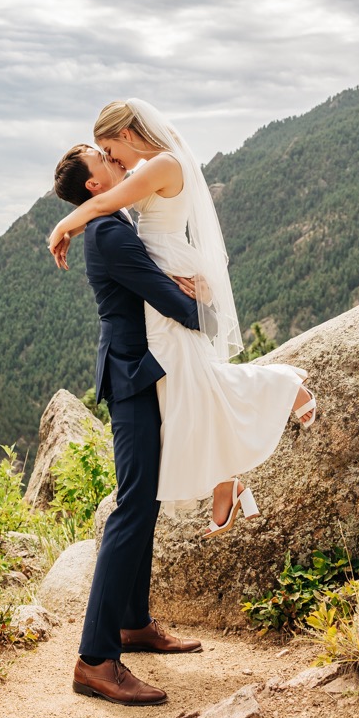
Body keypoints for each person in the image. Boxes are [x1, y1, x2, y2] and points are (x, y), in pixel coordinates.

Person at [49, 99, 316, 535]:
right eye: (106, 156)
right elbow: (105, 201)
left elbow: (104, 202)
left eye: (110, 149)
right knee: (184, 377)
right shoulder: (146, 169)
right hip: (163, 268)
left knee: (184, 372)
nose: (114, 159)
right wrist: (75, 222)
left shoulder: (162, 165)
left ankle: (283, 388)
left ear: (128, 135)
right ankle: (223, 477)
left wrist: (62, 226)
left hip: (166, 267)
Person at [52, 143, 206, 706]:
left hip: (139, 371)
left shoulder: (110, 220)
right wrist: (208, 300)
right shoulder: (111, 233)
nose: (117, 164)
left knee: (146, 499)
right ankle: (94, 659)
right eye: (105, 162)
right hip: (132, 376)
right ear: (94, 186)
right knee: (133, 504)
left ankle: (133, 622)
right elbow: (171, 302)